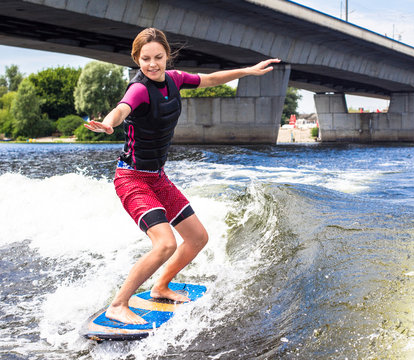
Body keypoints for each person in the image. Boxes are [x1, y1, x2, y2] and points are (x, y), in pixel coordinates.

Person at [84, 27, 280, 325]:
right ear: (137, 59)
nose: (152, 64)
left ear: (167, 56)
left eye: (158, 57)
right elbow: (121, 109)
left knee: (198, 237)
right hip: (132, 178)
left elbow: (211, 79)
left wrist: (249, 72)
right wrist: (110, 124)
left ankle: (161, 286)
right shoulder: (138, 89)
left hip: (157, 178)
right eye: (145, 58)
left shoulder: (174, 80)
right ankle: (118, 304)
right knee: (165, 244)